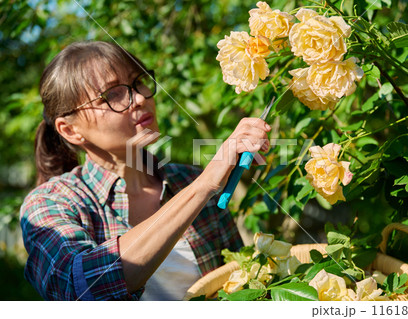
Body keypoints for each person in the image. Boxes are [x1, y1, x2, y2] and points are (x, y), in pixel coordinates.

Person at [20, 41, 271, 301]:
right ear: (70, 130)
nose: (139, 98)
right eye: (112, 94)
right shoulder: (51, 203)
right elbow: (78, 288)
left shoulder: (186, 179)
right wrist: (202, 187)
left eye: (138, 82)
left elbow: (244, 282)